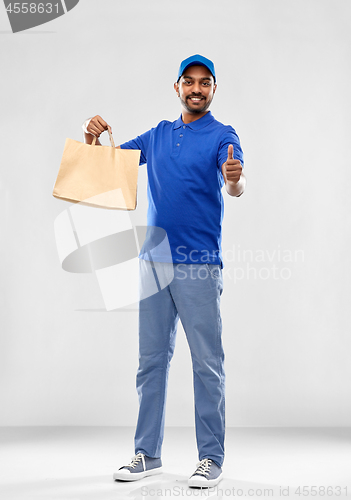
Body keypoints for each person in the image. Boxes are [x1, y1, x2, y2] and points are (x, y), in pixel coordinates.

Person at [82, 54, 245, 488]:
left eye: (204, 83)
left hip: (199, 266)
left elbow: (235, 183)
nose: (196, 88)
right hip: (153, 265)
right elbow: (109, 168)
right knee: (151, 363)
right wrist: (93, 140)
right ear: (177, 87)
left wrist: (234, 180)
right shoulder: (157, 135)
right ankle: (147, 454)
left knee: (207, 364)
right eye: (188, 82)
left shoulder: (223, 136)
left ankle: (211, 457)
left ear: (213, 89)